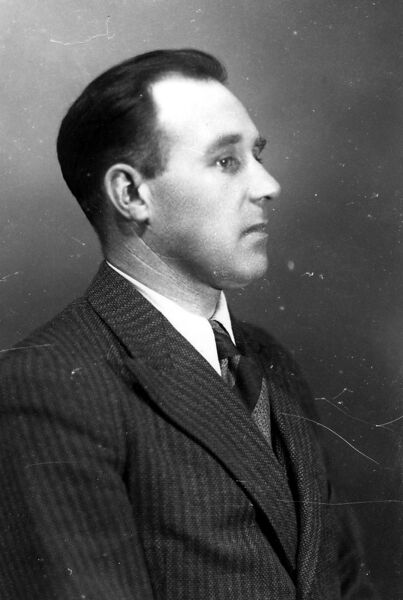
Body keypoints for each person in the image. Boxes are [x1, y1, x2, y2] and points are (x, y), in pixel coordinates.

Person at [0, 49, 376, 599]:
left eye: (257, 155)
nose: (269, 185)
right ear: (131, 194)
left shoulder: (267, 359)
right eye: (226, 161)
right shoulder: (49, 384)